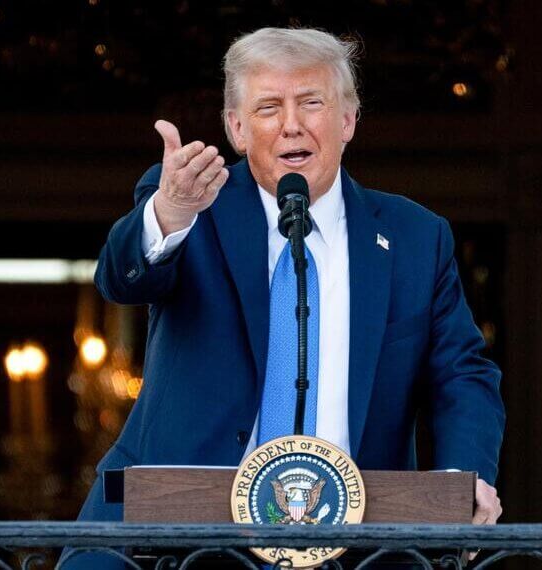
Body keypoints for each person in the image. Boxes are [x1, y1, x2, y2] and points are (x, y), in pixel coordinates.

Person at [65, 27, 505, 568]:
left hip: (356, 544)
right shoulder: (193, 203)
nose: (291, 124)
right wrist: (171, 212)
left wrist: (462, 481)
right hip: (172, 537)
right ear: (237, 128)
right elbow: (122, 279)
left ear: (348, 120)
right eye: (269, 107)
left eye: (312, 103)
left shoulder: (416, 236)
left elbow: (462, 374)